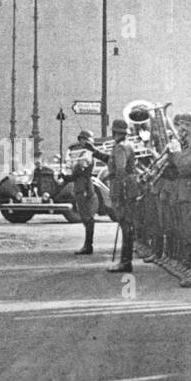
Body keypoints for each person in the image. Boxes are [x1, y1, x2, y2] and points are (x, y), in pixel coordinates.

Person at [66, 130, 109, 255]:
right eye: (81, 139)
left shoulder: (86, 153)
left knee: (87, 217)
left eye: (83, 140)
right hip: (81, 186)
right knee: (85, 217)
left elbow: (81, 170)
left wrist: (68, 177)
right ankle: (87, 245)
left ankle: (88, 246)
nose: (81, 142)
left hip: (84, 186)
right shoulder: (82, 152)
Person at [106, 117, 139, 273]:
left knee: (125, 225)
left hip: (123, 189)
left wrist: (119, 193)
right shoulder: (127, 145)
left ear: (114, 132)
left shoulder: (120, 147)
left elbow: (120, 170)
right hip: (129, 188)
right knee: (127, 226)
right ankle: (126, 261)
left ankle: (125, 262)